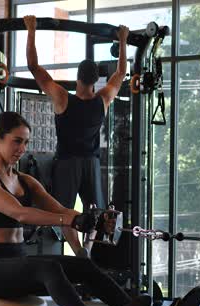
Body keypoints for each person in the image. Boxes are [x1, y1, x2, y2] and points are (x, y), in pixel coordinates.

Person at [0, 112, 176, 306]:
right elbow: (20, 213)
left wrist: (91, 221)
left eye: (26, 142)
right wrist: (69, 219)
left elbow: (62, 212)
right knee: (48, 267)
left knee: (83, 267)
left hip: (17, 264)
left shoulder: (25, 181)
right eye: (17, 140)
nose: (22, 148)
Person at [23, 15, 128, 226]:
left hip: (68, 163)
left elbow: (34, 66)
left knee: (63, 214)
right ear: (95, 80)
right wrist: (123, 40)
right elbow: (121, 72)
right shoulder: (103, 100)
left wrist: (31, 29)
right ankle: (86, 251)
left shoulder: (62, 98)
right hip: (91, 163)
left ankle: (76, 251)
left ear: (77, 78)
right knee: (97, 215)